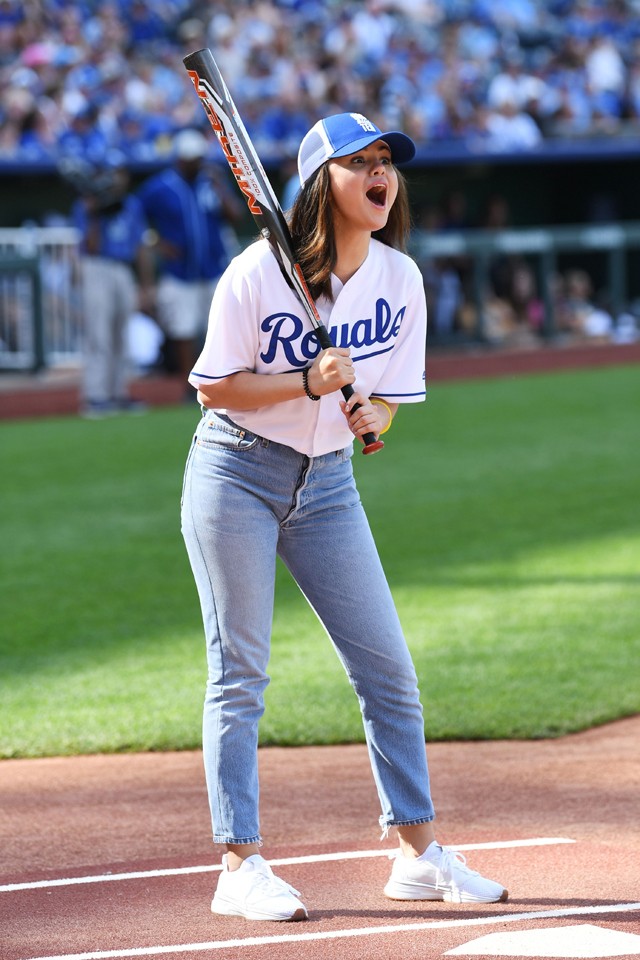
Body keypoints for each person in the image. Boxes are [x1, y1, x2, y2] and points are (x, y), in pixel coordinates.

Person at [180, 113, 508, 922]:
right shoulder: (256, 273)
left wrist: (371, 416)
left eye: (387, 161)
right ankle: (239, 862)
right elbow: (214, 386)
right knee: (241, 673)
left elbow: (391, 397)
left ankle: (418, 855)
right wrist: (307, 383)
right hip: (236, 471)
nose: (380, 174)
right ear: (319, 183)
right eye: (358, 162)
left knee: (389, 670)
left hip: (328, 486)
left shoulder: (401, 279)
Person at [137, 128, 242, 397]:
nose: (196, 163)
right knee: (183, 329)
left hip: (212, 267)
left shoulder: (210, 183)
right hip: (179, 270)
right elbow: (135, 219)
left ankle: (219, 379)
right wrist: (156, 242)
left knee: (220, 327)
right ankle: (188, 386)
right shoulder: (160, 187)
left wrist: (220, 186)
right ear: (179, 159)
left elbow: (235, 215)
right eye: (191, 158)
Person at [70, 153, 153, 418]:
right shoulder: (87, 204)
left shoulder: (131, 204)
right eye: (111, 172)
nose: (116, 178)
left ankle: (118, 393)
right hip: (98, 267)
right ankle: (95, 396)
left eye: (120, 172)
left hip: (122, 269)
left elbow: (140, 246)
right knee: (100, 332)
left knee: (121, 333)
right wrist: (96, 212)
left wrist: (145, 284)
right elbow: (90, 245)